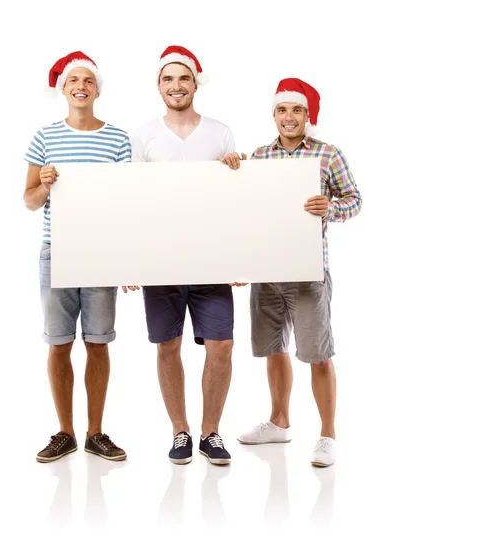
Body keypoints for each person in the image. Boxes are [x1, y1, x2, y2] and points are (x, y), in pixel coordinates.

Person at [237, 78, 362, 467]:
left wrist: (332, 208)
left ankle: (327, 434)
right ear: (273, 115)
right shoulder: (258, 156)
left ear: (308, 116)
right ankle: (279, 421)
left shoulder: (328, 155)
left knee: (317, 354)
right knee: (273, 350)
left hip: (309, 272)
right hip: (268, 272)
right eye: (282, 110)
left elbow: (354, 200)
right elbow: (242, 209)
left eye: (296, 110)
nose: (288, 117)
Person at [131, 45, 245, 465]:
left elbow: (237, 200)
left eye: (183, 78)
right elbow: (134, 202)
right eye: (168, 79)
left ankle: (210, 432)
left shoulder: (220, 132)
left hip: (211, 259)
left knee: (221, 347)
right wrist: (132, 259)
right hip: (161, 260)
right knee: (166, 346)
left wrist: (238, 256)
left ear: (196, 83)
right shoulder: (144, 135)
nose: (176, 86)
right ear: (159, 86)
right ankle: (180, 431)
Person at [23, 51, 134, 463]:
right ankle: (64, 432)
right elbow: (30, 201)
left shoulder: (118, 139)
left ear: (97, 89)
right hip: (58, 250)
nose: (81, 87)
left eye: (88, 81)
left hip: (101, 252)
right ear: (64, 90)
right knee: (58, 343)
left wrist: (125, 257)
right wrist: (46, 185)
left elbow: (127, 202)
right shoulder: (45, 136)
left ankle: (96, 433)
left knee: (99, 342)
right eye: (74, 81)